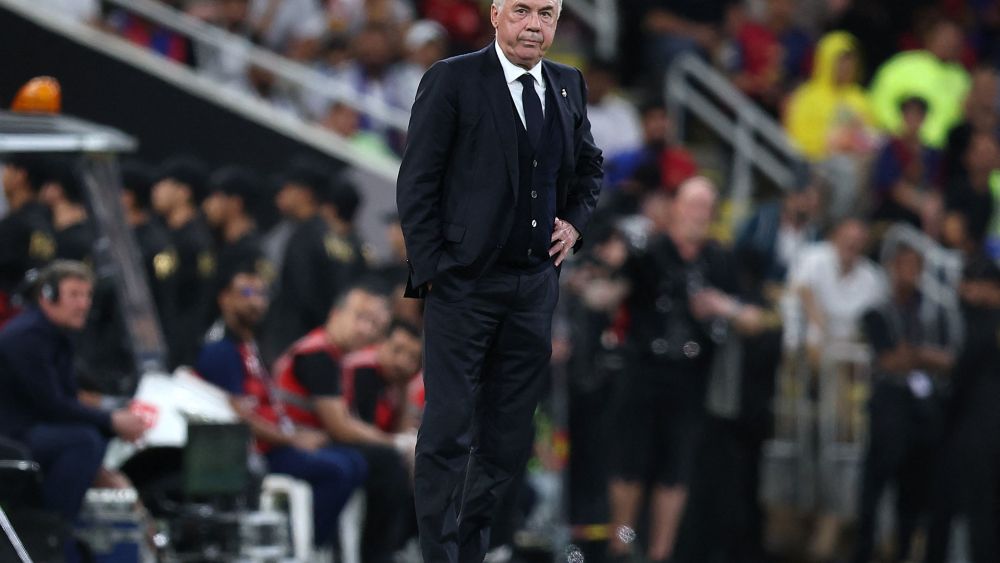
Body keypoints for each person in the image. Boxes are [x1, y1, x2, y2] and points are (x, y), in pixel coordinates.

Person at [395, 0, 603, 559]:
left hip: (533, 289)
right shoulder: (451, 79)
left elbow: (589, 168)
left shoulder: (567, 83)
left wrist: (575, 226)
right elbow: (417, 181)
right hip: (464, 285)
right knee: (447, 431)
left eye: (547, 13)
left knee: (508, 439)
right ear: (494, 14)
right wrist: (435, 271)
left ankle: (473, 548)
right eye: (521, 11)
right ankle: (438, 555)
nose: (534, 24)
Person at [610, 177, 743, 563]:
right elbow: (617, 282)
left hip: (689, 376)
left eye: (706, 207)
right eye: (692, 205)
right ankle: (622, 543)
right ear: (675, 209)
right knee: (629, 465)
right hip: (642, 369)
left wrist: (722, 307)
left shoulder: (718, 259)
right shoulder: (651, 251)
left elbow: (752, 314)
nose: (698, 215)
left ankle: (660, 552)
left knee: (676, 468)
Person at [196, 264, 365, 548]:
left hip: (277, 442)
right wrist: (292, 438)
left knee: (355, 461)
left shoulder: (251, 346)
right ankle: (304, 546)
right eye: (246, 292)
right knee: (337, 471)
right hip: (253, 456)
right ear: (224, 297)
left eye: (262, 293)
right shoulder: (220, 350)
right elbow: (241, 419)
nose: (256, 300)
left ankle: (320, 547)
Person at [0, 261, 146, 561]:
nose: (83, 304)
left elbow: (67, 399)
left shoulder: (57, 335)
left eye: (87, 295)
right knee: (83, 440)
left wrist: (108, 420)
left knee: (92, 437)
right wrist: (111, 420)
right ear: (47, 295)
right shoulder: (26, 337)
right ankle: (51, 529)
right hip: (11, 434)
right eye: (74, 295)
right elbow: (52, 405)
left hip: (31, 429)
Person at [270, 286, 409, 563]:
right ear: (336, 313)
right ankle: (332, 549)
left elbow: (348, 424)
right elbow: (341, 428)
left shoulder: (338, 358)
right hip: (287, 444)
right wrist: (395, 442)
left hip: (315, 441)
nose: (366, 329)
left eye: (375, 325)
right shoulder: (317, 354)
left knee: (384, 462)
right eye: (361, 317)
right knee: (384, 462)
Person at [852, 243, 960, 563]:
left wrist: (918, 356)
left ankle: (902, 551)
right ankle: (863, 551)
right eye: (903, 265)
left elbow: (948, 359)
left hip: (921, 416)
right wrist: (923, 356)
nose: (909, 273)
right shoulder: (878, 311)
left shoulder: (933, 311)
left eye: (915, 266)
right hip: (888, 409)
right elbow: (890, 360)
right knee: (874, 487)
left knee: (912, 492)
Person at [152, 156, 215, 368]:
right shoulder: (167, 234)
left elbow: (194, 305)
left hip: (175, 351)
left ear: (183, 191)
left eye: (165, 183)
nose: (157, 189)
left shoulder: (195, 242)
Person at [869, 20, 970, 149]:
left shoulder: (962, 77)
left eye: (954, 39)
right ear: (930, 38)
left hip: (945, 152)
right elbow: (880, 99)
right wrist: (899, 131)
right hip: (901, 145)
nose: (949, 43)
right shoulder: (903, 64)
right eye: (945, 37)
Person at [870, 96, 944, 233]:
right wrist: (922, 204)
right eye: (909, 114)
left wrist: (933, 205)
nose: (913, 119)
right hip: (894, 213)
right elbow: (893, 187)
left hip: (925, 212)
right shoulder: (891, 148)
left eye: (918, 114)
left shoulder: (932, 153)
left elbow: (936, 186)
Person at [0, 154, 56, 324]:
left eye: (7, 170)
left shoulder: (14, 225)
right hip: (36, 316)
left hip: (10, 317)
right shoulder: (47, 222)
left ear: (20, 175)